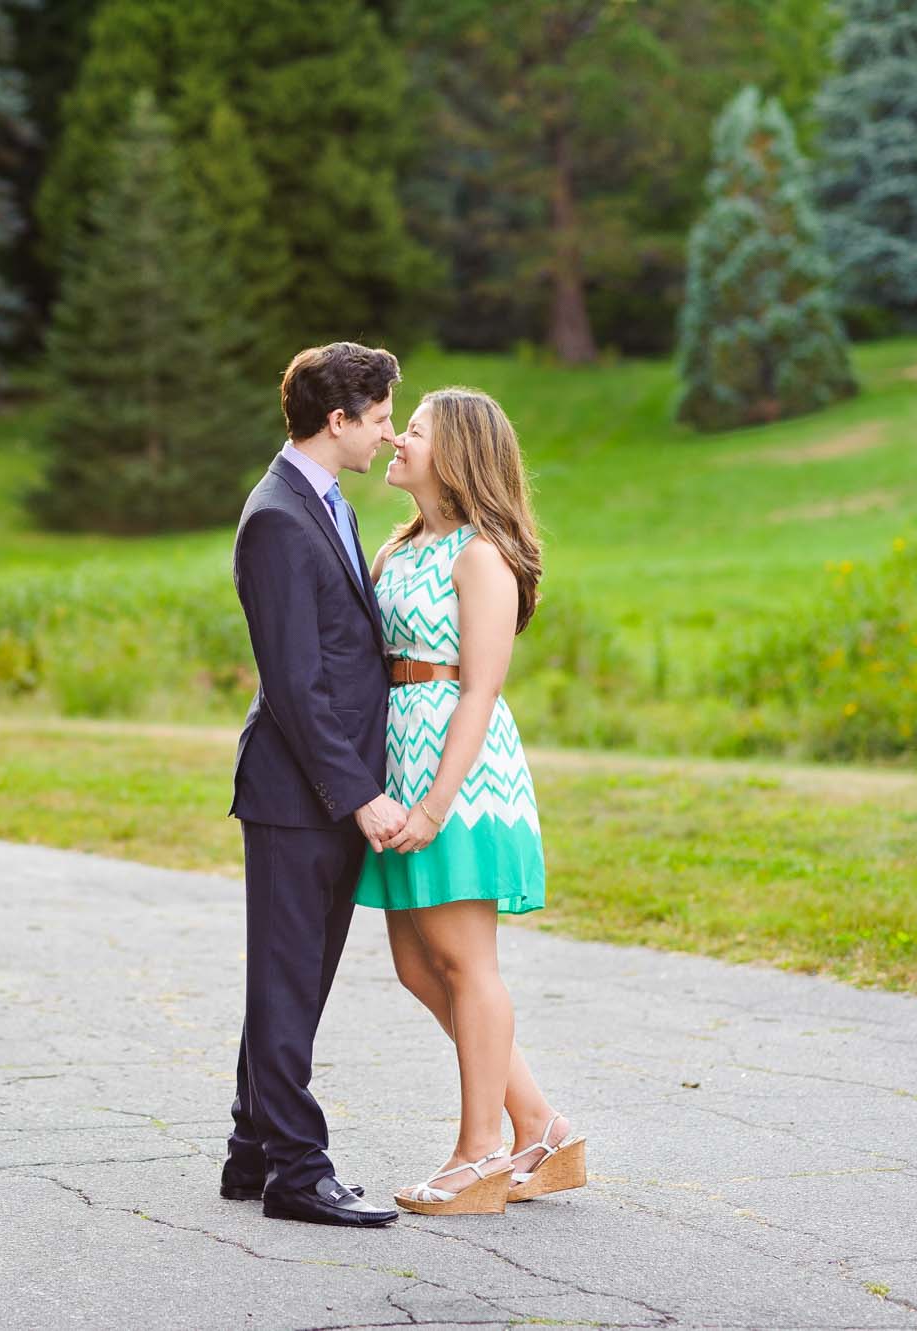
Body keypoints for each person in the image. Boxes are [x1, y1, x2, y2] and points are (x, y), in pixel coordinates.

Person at [355, 387, 584, 1216]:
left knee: (465, 963)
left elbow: (482, 689)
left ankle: (477, 1151)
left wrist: (437, 804)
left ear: (455, 454)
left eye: (412, 430)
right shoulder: (400, 545)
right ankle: (541, 1125)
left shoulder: (479, 556)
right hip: (397, 755)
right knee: (420, 967)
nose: (397, 439)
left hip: (459, 768)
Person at [222, 342, 407, 1227]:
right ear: (337, 421)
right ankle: (298, 1169)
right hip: (300, 794)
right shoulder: (279, 518)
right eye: (378, 419)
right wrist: (358, 793)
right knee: (289, 979)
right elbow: (294, 683)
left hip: (320, 789)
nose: (389, 433)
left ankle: (251, 1149)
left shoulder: (321, 503)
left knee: (294, 980)